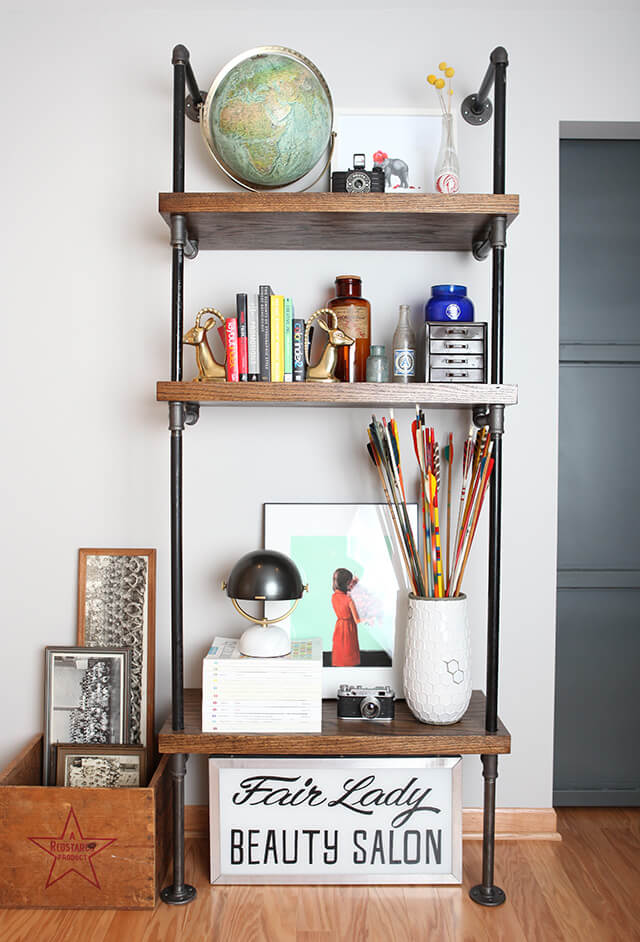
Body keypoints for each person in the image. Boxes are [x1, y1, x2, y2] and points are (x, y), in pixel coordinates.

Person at [331, 568, 364, 667]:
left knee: (340, 649)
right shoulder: (349, 600)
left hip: (339, 626)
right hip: (349, 628)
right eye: (350, 582)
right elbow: (357, 620)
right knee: (349, 650)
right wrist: (369, 618)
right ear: (346, 584)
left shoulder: (334, 597)